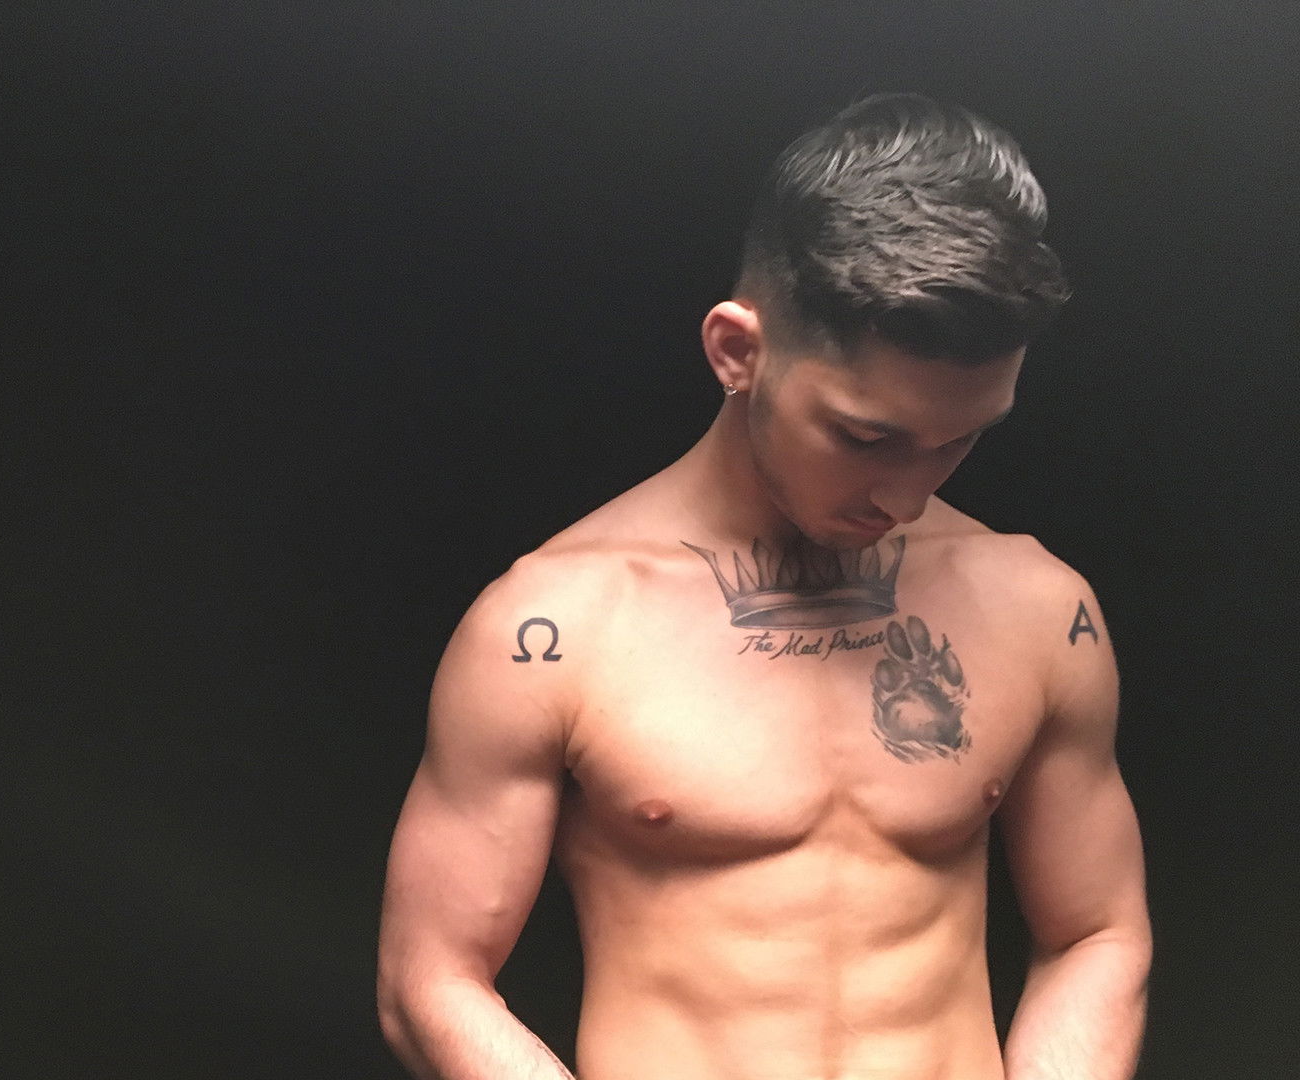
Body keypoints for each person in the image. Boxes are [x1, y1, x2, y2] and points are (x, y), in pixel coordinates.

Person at [376, 93, 1151, 1080]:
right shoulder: (556, 626)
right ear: (738, 351)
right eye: (867, 437)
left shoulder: (1035, 605)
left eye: (960, 440)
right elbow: (431, 978)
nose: (908, 496)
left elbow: (1096, 934)